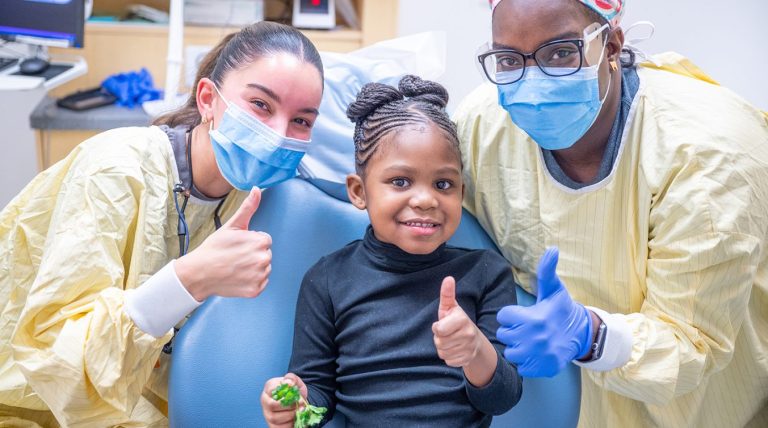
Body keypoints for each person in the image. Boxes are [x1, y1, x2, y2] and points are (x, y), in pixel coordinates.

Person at [453, 0, 768, 427]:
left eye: (560, 52)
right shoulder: (484, 125)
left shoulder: (707, 156)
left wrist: (590, 334)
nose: (533, 80)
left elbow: (692, 344)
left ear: (612, 46)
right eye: (509, 59)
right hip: (563, 407)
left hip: (700, 409)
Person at [0, 21, 324, 426]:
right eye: (260, 105)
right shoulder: (115, 172)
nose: (277, 136)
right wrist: (189, 279)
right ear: (208, 99)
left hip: (144, 409)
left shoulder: (264, 197)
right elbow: (55, 366)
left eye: (302, 121)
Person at [260, 75, 523, 427]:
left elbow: (504, 397)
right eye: (400, 182)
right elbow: (319, 394)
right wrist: (298, 402)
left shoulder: (487, 273)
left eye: (443, 184)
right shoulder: (328, 279)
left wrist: (474, 350)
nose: (426, 199)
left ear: (461, 192)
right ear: (358, 191)